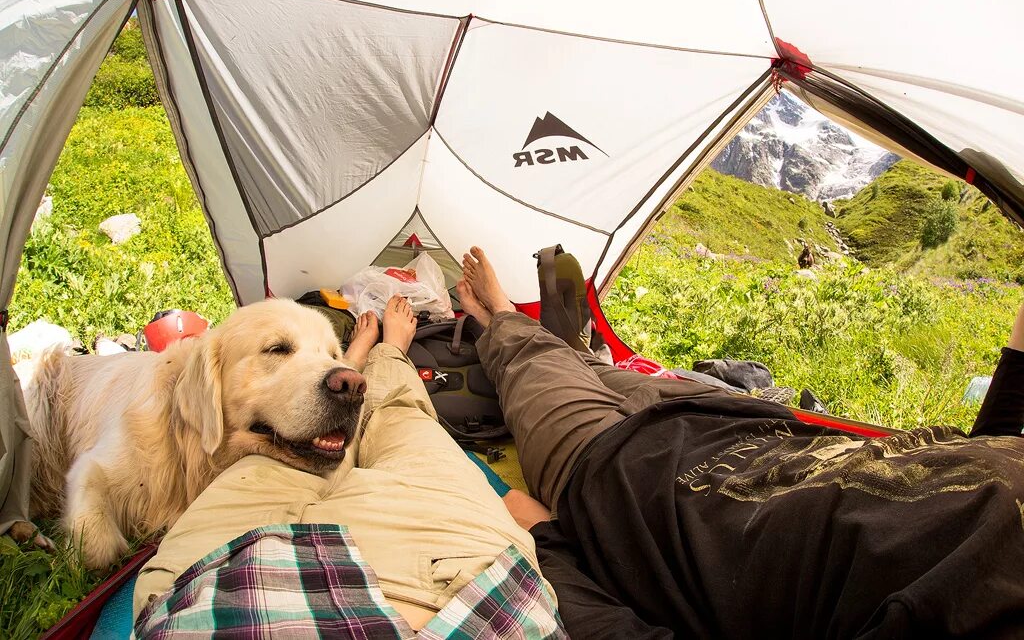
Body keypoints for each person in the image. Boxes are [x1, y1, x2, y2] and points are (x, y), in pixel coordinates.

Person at [457, 246, 1024, 639]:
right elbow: (1006, 423)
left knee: (527, 363)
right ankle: (576, 350)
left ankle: (502, 320)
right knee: (589, 366)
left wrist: (547, 543)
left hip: (627, 476)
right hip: (734, 415)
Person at [133, 294, 567, 638]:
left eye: (334, 360)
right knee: (404, 416)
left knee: (284, 456)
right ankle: (387, 355)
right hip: (486, 592)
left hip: (204, 592)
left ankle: (357, 363)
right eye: (278, 348)